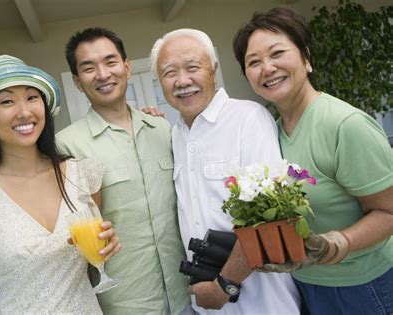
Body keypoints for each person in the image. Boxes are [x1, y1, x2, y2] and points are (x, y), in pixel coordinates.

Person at [232, 7, 393, 315]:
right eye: (254, 62)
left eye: (277, 53)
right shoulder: (271, 132)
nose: (267, 68)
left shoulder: (344, 125)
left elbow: (388, 212)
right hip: (304, 286)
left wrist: (337, 243)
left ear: (306, 58)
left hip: (361, 288)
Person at [0, 55, 121, 314]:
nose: (25, 112)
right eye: (6, 101)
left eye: (32, 97)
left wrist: (106, 247)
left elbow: (91, 263)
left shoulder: (79, 175)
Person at [150, 28, 301, 314]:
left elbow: (269, 217)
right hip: (207, 305)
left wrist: (225, 284)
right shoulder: (176, 134)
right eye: (170, 72)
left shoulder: (248, 119)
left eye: (192, 67)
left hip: (262, 303)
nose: (182, 81)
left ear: (214, 68)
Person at [56, 27, 191, 314]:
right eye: (89, 68)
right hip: (125, 301)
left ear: (127, 67)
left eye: (111, 62)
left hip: (186, 292)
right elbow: (64, 232)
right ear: (78, 82)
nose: (103, 74)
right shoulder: (66, 145)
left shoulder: (163, 129)